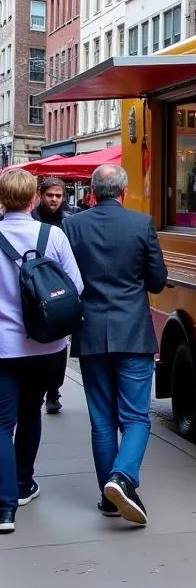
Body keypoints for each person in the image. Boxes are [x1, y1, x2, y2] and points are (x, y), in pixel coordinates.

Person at [64, 165, 168, 524]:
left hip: (90, 333)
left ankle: (109, 500)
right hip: (133, 334)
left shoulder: (73, 226)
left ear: (92, 191)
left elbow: (66, 279)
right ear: (123, 192)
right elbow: (157, 281)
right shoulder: (141, 225)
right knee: (137, 416)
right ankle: (122, 477)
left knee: (102, 420)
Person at [0, 169, 83, 533]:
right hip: (47, 345)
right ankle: (22, 485)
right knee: (31, 412)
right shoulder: (53, 236)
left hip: (2, 346)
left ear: (3, 199)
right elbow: (75, 286)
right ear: (34, 199)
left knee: (2, 424)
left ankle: (4, 509)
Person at [33, 176, 75, 413]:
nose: (55, 200)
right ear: (41, 195)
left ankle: (53, 391)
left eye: (59, 196)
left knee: (59, 344)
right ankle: (39, 389)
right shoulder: (32, 220)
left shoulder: (68, 222)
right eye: (50, 195)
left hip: (60, 290)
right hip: (36, 287)